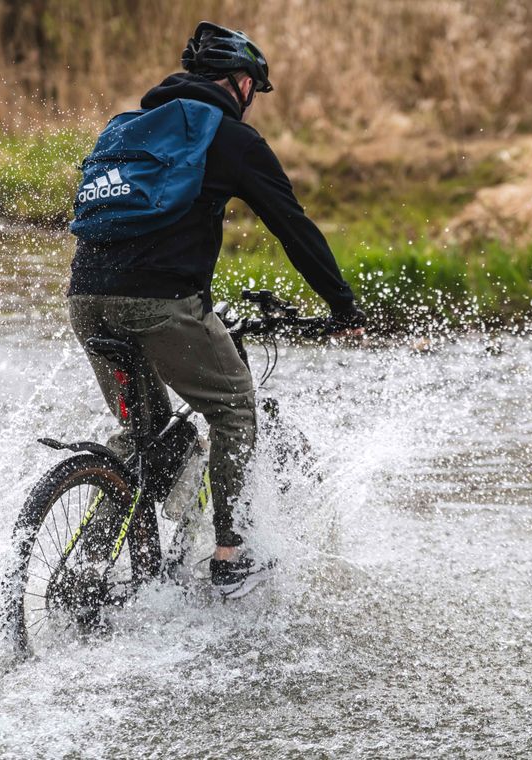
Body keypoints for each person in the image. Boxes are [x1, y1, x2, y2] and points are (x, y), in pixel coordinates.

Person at [67, 21, 365, 598]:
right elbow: (292, 226)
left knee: (144, 431)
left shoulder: (128, 129)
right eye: (253, 85)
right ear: (240, 82)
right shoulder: (229, 138)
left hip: (85, 299)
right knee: (233, 409)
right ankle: (231, 557)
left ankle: (87, 570)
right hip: (158, 305)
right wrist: (342, 305)